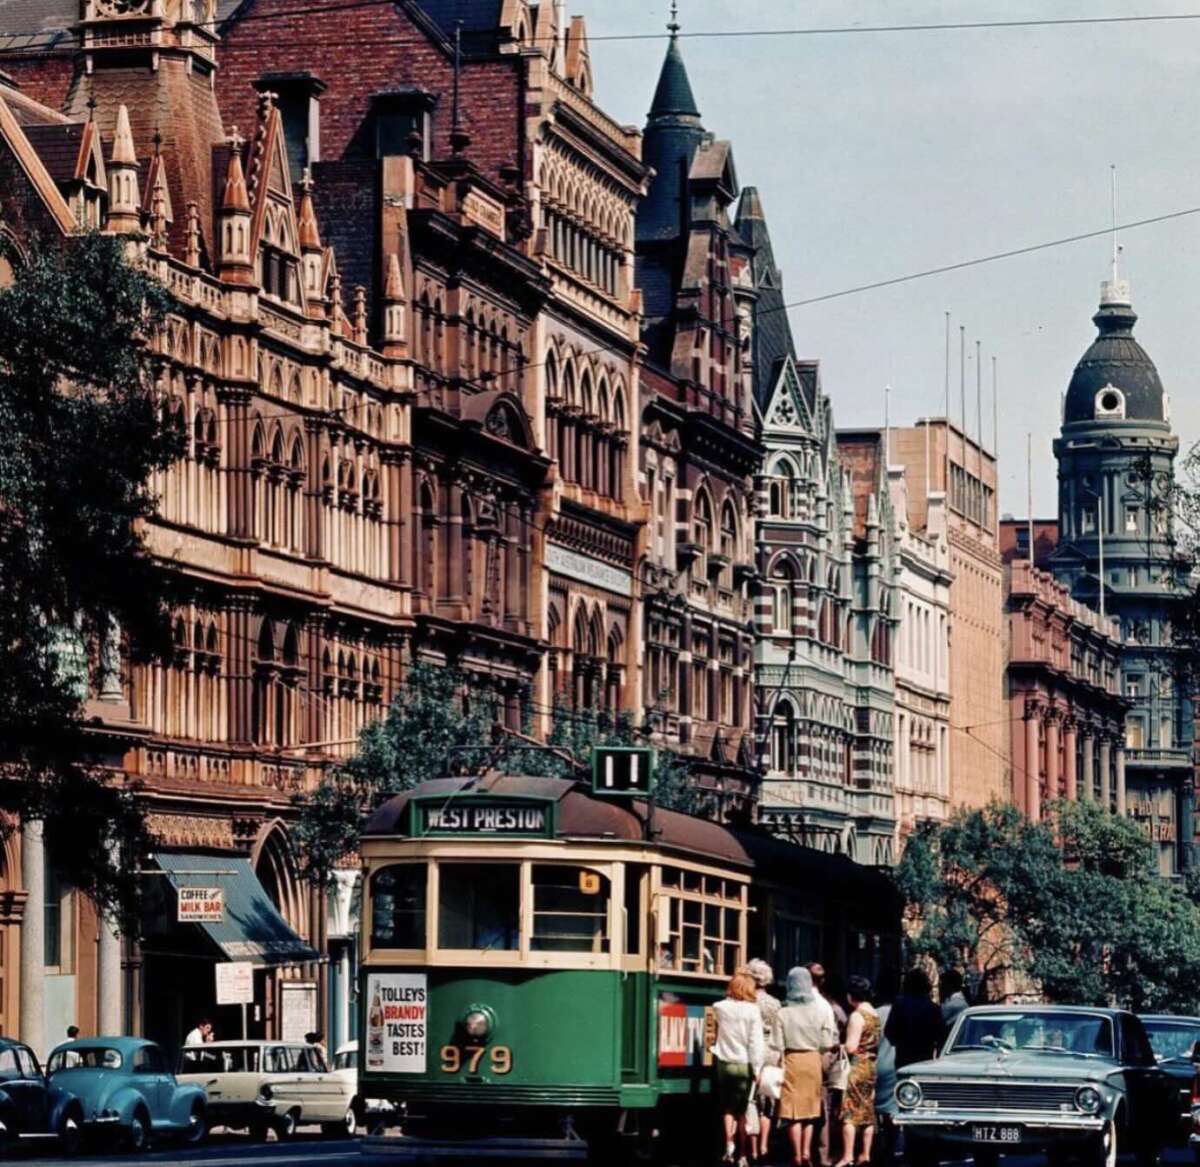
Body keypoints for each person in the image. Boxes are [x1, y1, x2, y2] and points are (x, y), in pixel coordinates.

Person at [772, 967, 838, 1167]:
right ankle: (806, 1151)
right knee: (810, 1112)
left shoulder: (782, 1013)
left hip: (792, 1060)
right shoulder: (820, 1011)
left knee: (793, 1114)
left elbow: (776, 1044)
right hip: (813, 1060)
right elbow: (827, 1041)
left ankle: (796, 1155)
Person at [713, 972, 766, 1167]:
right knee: (743, 1111)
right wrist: (758, 1068)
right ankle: (742, 1154)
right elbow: (756, 1042)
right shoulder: (752, 1011)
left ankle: (728, 1144)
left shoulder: (720, 1007)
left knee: (728, 1108)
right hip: (744, 1064)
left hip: (724, 1063)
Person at [836, 977, 880, 1167]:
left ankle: (847, 1155)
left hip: (857, 1066)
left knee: (850, 1111)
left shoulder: (857, 1015)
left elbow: (852, 1046)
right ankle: (866, 1153)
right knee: (867, 1111)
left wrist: (839, 1046)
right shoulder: (874, 1013)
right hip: (871, 1065)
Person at [744, 959, 783, 1164]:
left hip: (753, 1050)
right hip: (771, 1051)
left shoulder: (746, 1001)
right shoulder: (775, 1003)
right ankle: (764, 1145)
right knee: (767, 1102)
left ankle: (752, 1148)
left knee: (751, 1100)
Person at [809, 963, 847, 1167]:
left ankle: (809, 1152)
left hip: (807, 1057)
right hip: (827, 1057)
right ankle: (824, 1154)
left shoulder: (803, 1003)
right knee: (827, 1107)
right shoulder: (832, 1007)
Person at [883, 969, 945, 1070]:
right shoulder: (933, 1008)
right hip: (925, 1057)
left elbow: (889, 1031)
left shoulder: (899, 1005)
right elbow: (941, 1035)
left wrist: (900, 1042)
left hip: (903, 1055)